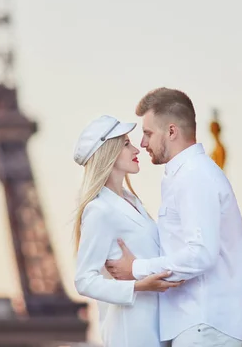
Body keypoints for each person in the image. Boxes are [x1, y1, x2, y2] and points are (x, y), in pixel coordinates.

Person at [105, 88, 242, 347]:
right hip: (199, 325)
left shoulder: (194, 176)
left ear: (172, 131)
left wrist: (136, 269)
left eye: (148, 133)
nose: (142, 143)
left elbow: (201, 254)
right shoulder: (186, 175)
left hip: (205, 325)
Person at [73, 114, 182, 347]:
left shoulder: (132, 200)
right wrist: (138, 285)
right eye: (125, 144)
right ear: (108, 153)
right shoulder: (99, 209)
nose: (136, 149)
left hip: (156, 324)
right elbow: (84, 280)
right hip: (131, 331)